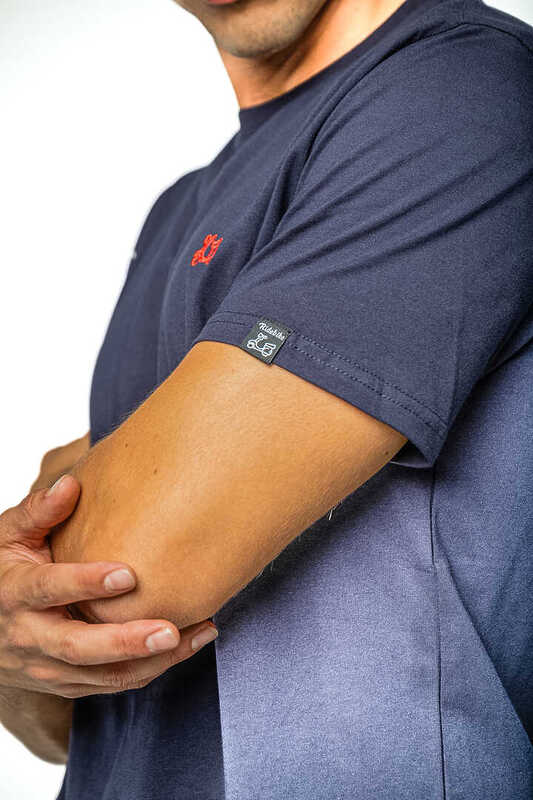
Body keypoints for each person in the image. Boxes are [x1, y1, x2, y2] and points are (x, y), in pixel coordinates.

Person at [1, 0, 532, 797]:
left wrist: (61, 520)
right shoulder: (181, 206)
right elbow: (57, 709)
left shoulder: (459, 86)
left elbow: (131, 575)